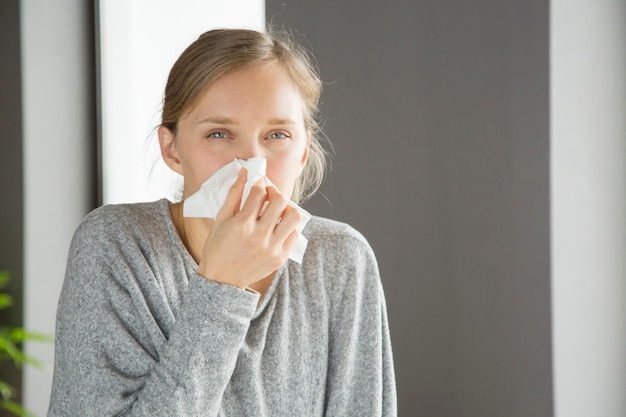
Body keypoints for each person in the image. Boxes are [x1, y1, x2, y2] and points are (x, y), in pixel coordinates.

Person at [48, 28, 397, 416]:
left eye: (277, 134)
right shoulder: (116, 246)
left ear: (303, 151)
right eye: (219, 133)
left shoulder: (340, 259)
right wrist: (222, 286)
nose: (250, 163)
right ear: (172, 149)